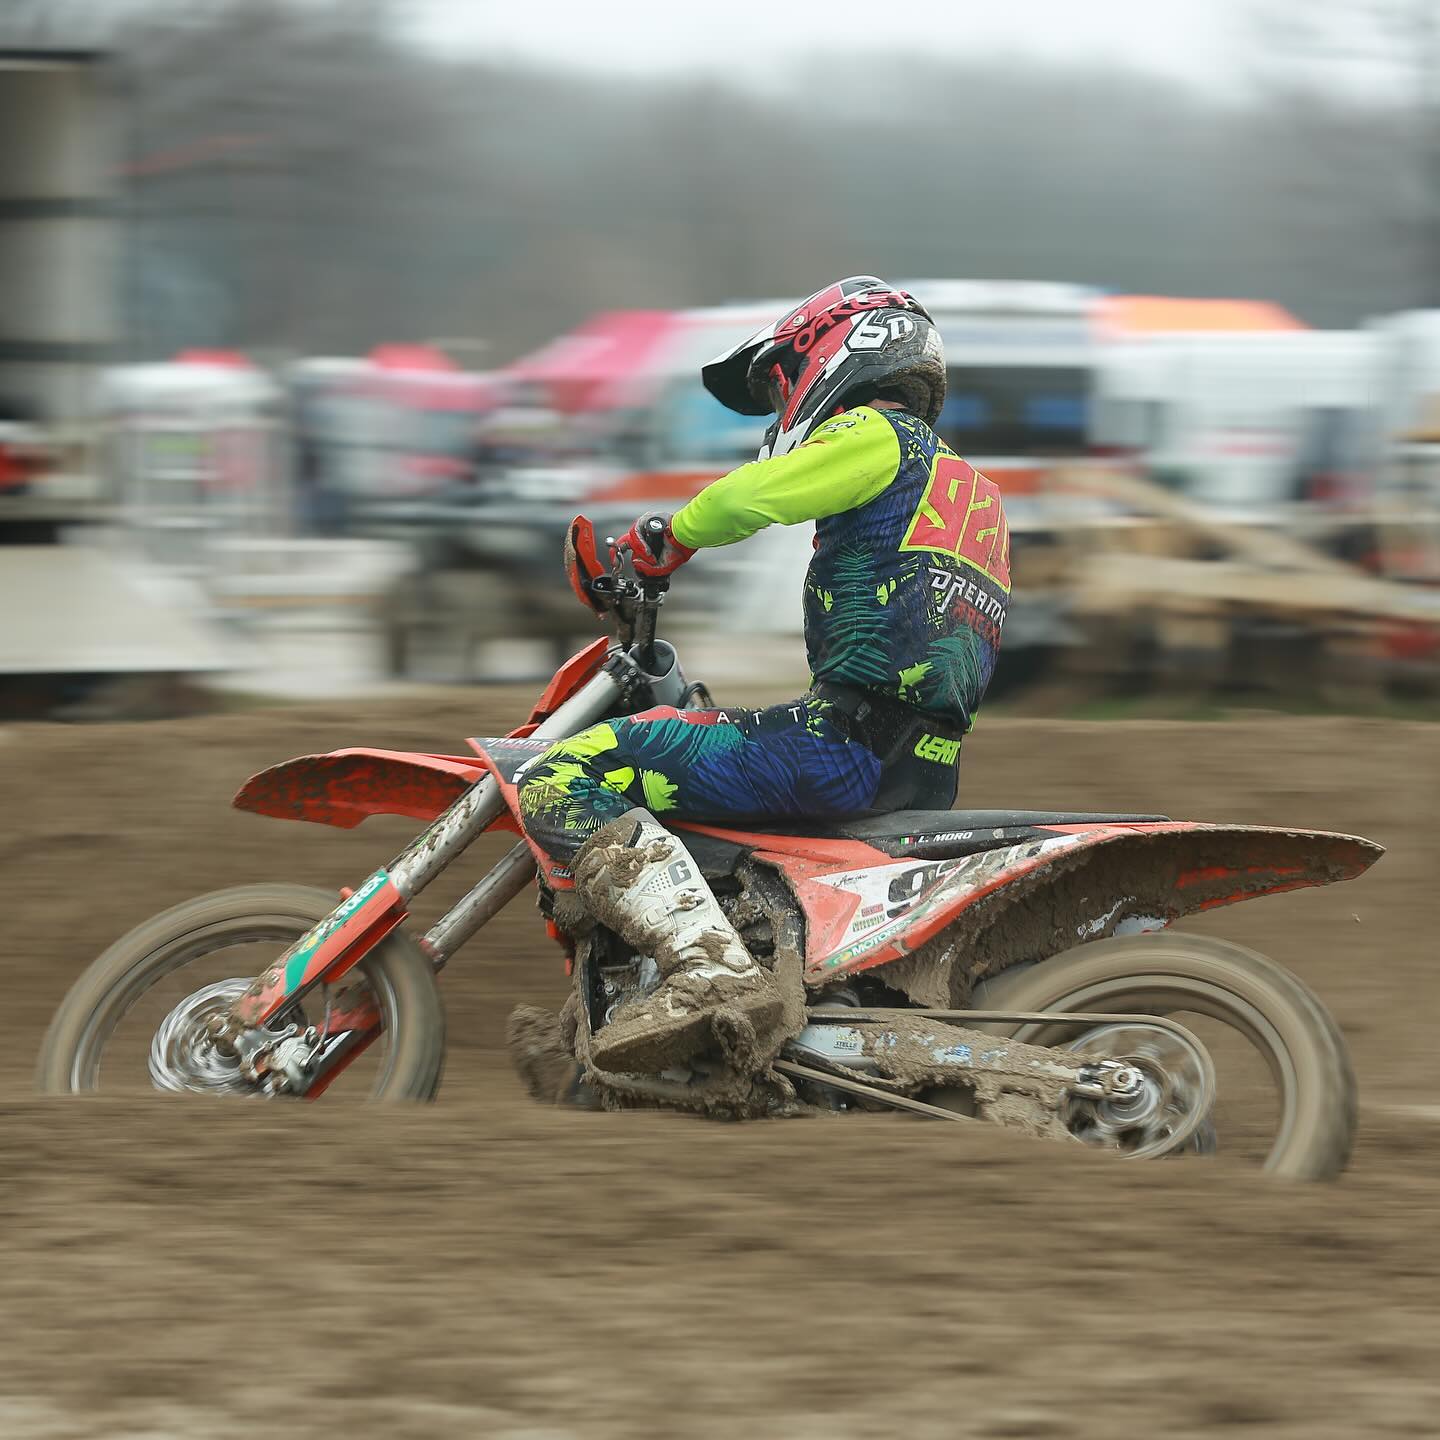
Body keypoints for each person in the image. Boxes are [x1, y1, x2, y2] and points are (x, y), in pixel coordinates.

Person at [517, 277, 1011, 1074]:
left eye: (783, 382)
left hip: (841, 748)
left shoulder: (879, 436)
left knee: (562, 777)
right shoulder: (970, 491)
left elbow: (756, 496)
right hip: (920, 765)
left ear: (838, 355)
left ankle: (710, 973)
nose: (783, 405)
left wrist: (668, 536)